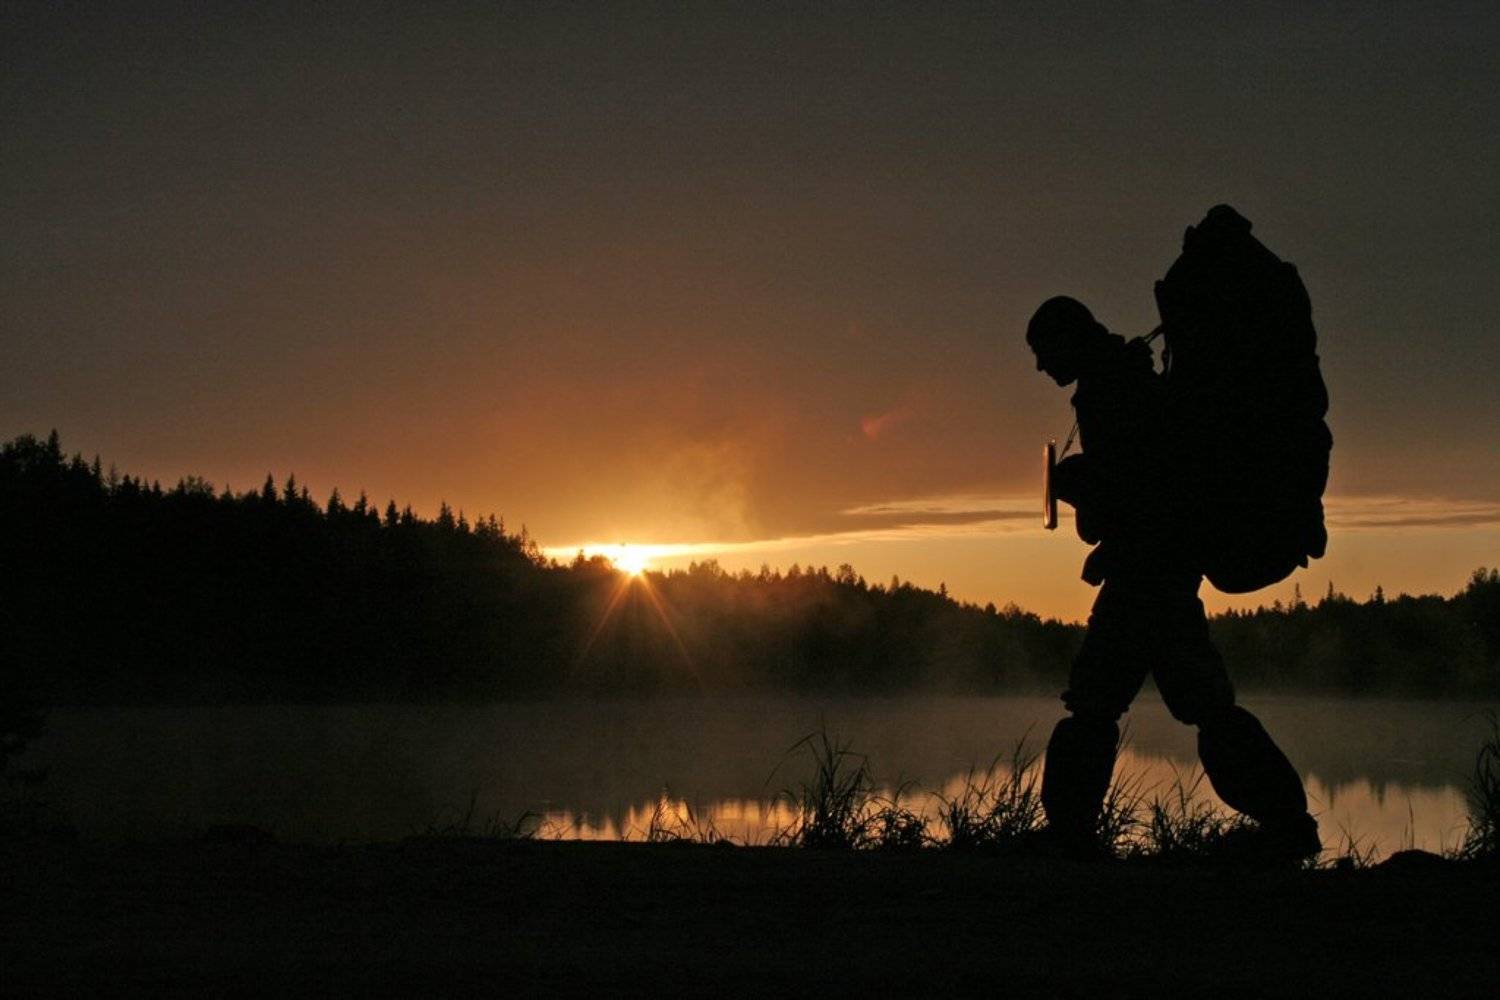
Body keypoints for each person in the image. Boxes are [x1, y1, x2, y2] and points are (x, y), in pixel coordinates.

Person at [1026, 295, 1321, 861]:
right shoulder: (1120, 379)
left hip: (1149, 579)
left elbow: (1146, 487)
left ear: (1071, 338)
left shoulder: (1114, 388)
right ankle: (1288, 824)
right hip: (1157, 574)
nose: (1041, 366)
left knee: (1102, 703)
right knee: (1195, 704)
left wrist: (1084, 484)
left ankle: (1069, 839)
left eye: (1043, 351)